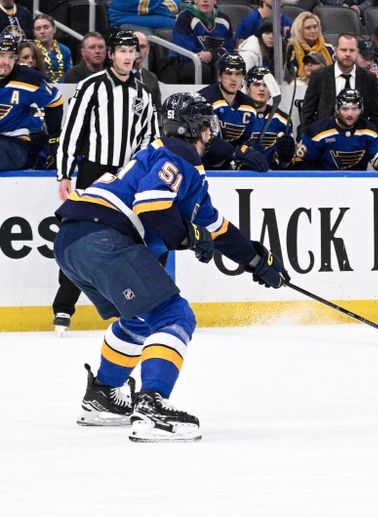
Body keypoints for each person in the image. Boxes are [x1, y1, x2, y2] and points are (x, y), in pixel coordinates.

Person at [55, 92, 289, 442]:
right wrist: (186, 238)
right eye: (208, 127)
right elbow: (151, 206)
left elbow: (215, 228)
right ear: (196, 127)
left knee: (137, 318)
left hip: (73, 240)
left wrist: (255, 260)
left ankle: (103, 395)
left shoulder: (175, 163)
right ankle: (151, 405)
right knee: (174, 316)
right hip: (105, 237)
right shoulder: (178, 155)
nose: (211, 134)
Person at [53, 31, 160, 335]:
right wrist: (64, 173)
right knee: (79, 238)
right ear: (111, 54)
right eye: (122, 50)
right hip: (93, 172)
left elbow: (151, 139)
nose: (128, 56)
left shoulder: (143, 93)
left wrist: (143, 175)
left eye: (132, 51)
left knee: (131, 242)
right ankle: (63, 307)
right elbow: (71, 132)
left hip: (127, 176)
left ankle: (133, 307)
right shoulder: (91, 86)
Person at [0, 33, 63, 171]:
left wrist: (53, 138)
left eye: (11, 56)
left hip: (14, 143)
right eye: (1, 55)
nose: (6, 61)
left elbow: (55, 100)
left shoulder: (28, 77)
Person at [299, 32, 378, 136]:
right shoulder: (319, 76)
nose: (347, 54)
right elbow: (307, 113)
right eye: (343, 50)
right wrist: (308, 140)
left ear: (357, 52)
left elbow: (376, 116)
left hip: (358, 142)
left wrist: (374, 139)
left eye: (351, 50)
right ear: (335, 50)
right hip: (325, 140)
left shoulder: (369, 78)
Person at [291, 88, 378, 170]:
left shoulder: (369, 131)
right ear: (337, 109)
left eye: (355, 109)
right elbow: (300, 163)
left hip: (358, 186)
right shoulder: (317, 131)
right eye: (345, 109)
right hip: (323, 186)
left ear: (361, 109)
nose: (350, 114)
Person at [197, 53, 269, 171]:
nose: (233, 78)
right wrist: (236, 152)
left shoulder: (249, 105)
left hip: (227, 166)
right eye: (229, 73)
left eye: (238, 74)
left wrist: (251, 149)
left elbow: (245, 140)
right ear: (219, 76)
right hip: (200, 165)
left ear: (243, 78)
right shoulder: (204, 99)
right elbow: (203, 141)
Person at [172, 0, 235, 84]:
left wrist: (212, 55)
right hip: (188, 63)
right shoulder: (184, 18)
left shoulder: (224, 19)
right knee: (205, 70)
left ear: (215, 0)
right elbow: (185, 51)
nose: (205, 0)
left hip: (216, 62)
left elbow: (230, 48)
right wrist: (211, 56)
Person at [244, 65, 296, 168]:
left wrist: (285, 160)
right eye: (257, 84)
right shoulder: (237, 115)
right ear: (247, 88)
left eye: (266, 85)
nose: (262, 89)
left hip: (273, 178)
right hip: (240, 176)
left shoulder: (282, 120)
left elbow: (285, 166)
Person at [108, 0, 182, 35]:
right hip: (130, 24)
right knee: (144, 41)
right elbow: (132, 0)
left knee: (182, 33)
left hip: (159, 23)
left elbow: (175, 4)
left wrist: (146, 6)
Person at [286, 11, 335, 82]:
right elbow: (288, 74)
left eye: (315, 27)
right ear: (299, 30)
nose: (313, 31)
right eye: (308, 28)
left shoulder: (328, 47)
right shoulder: (291, 49)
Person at [33, 13, 72, 82]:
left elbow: (69, 74)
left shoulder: (65, 50)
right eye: (38, 29)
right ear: (34, 32)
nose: (42, 31)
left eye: (46, 27)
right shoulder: (31, 50)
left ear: (54, 29)